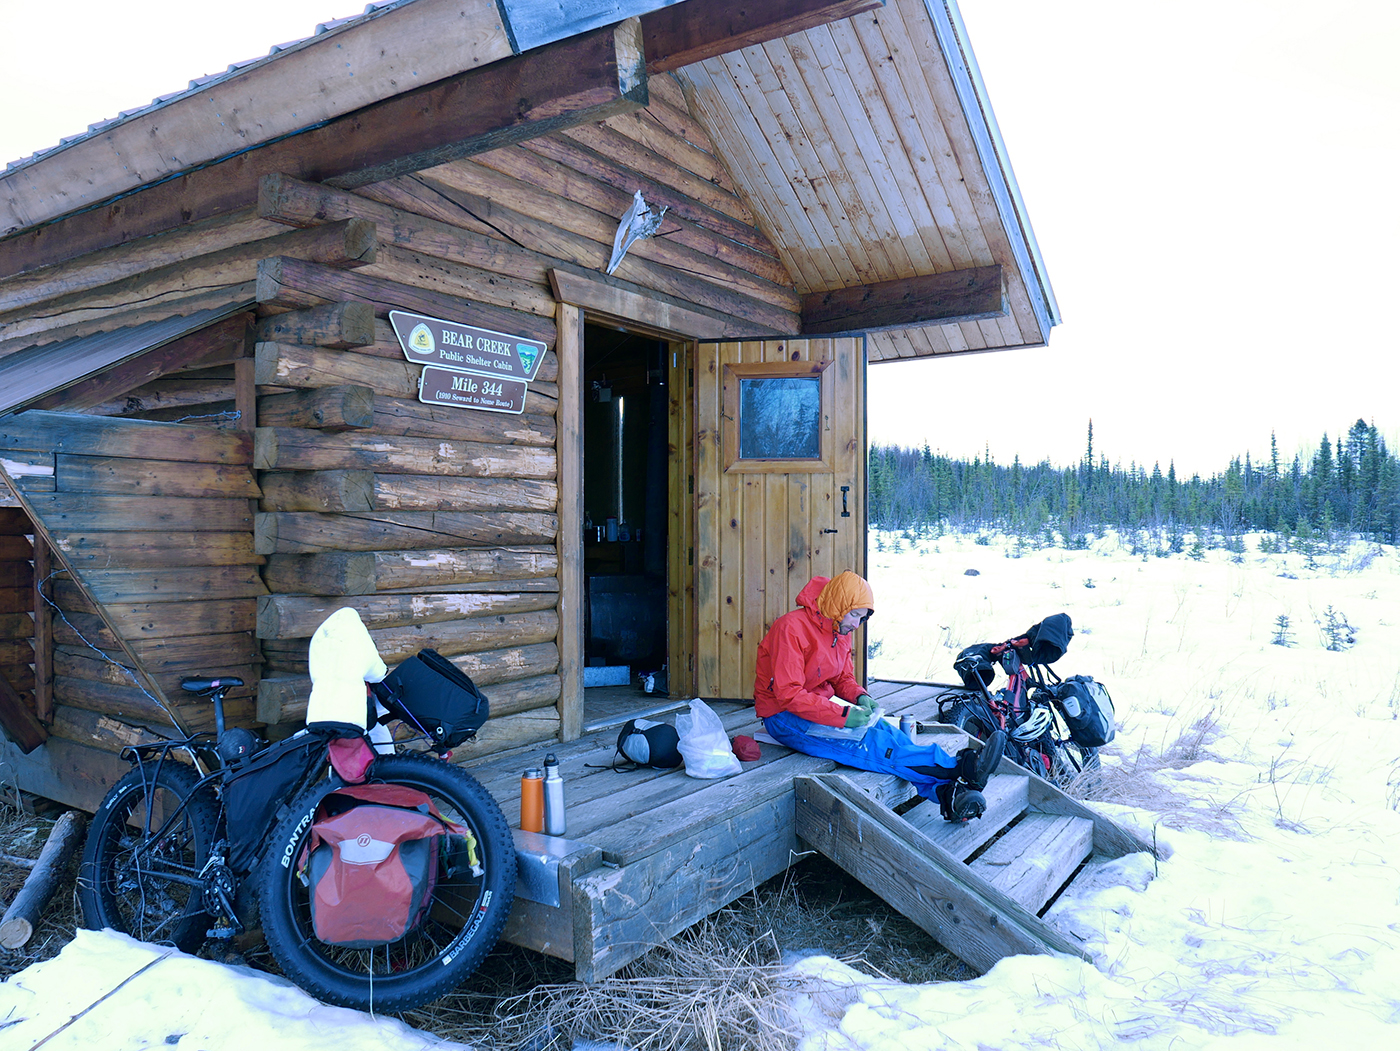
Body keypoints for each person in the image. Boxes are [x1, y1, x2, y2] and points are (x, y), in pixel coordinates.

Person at [754, 571, 1005, 822]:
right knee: (874, 745)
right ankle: (962, 766)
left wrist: (860, 696)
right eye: (854, 614)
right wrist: (843, 715)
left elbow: (842, 679)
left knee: (888, 732)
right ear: (838, 605)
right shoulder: (790, 628)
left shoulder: (838, 631)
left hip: (818, 708)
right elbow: (789, 694)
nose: (855, 624)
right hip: (783, 716)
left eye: (861, 619)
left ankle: (949, 795)